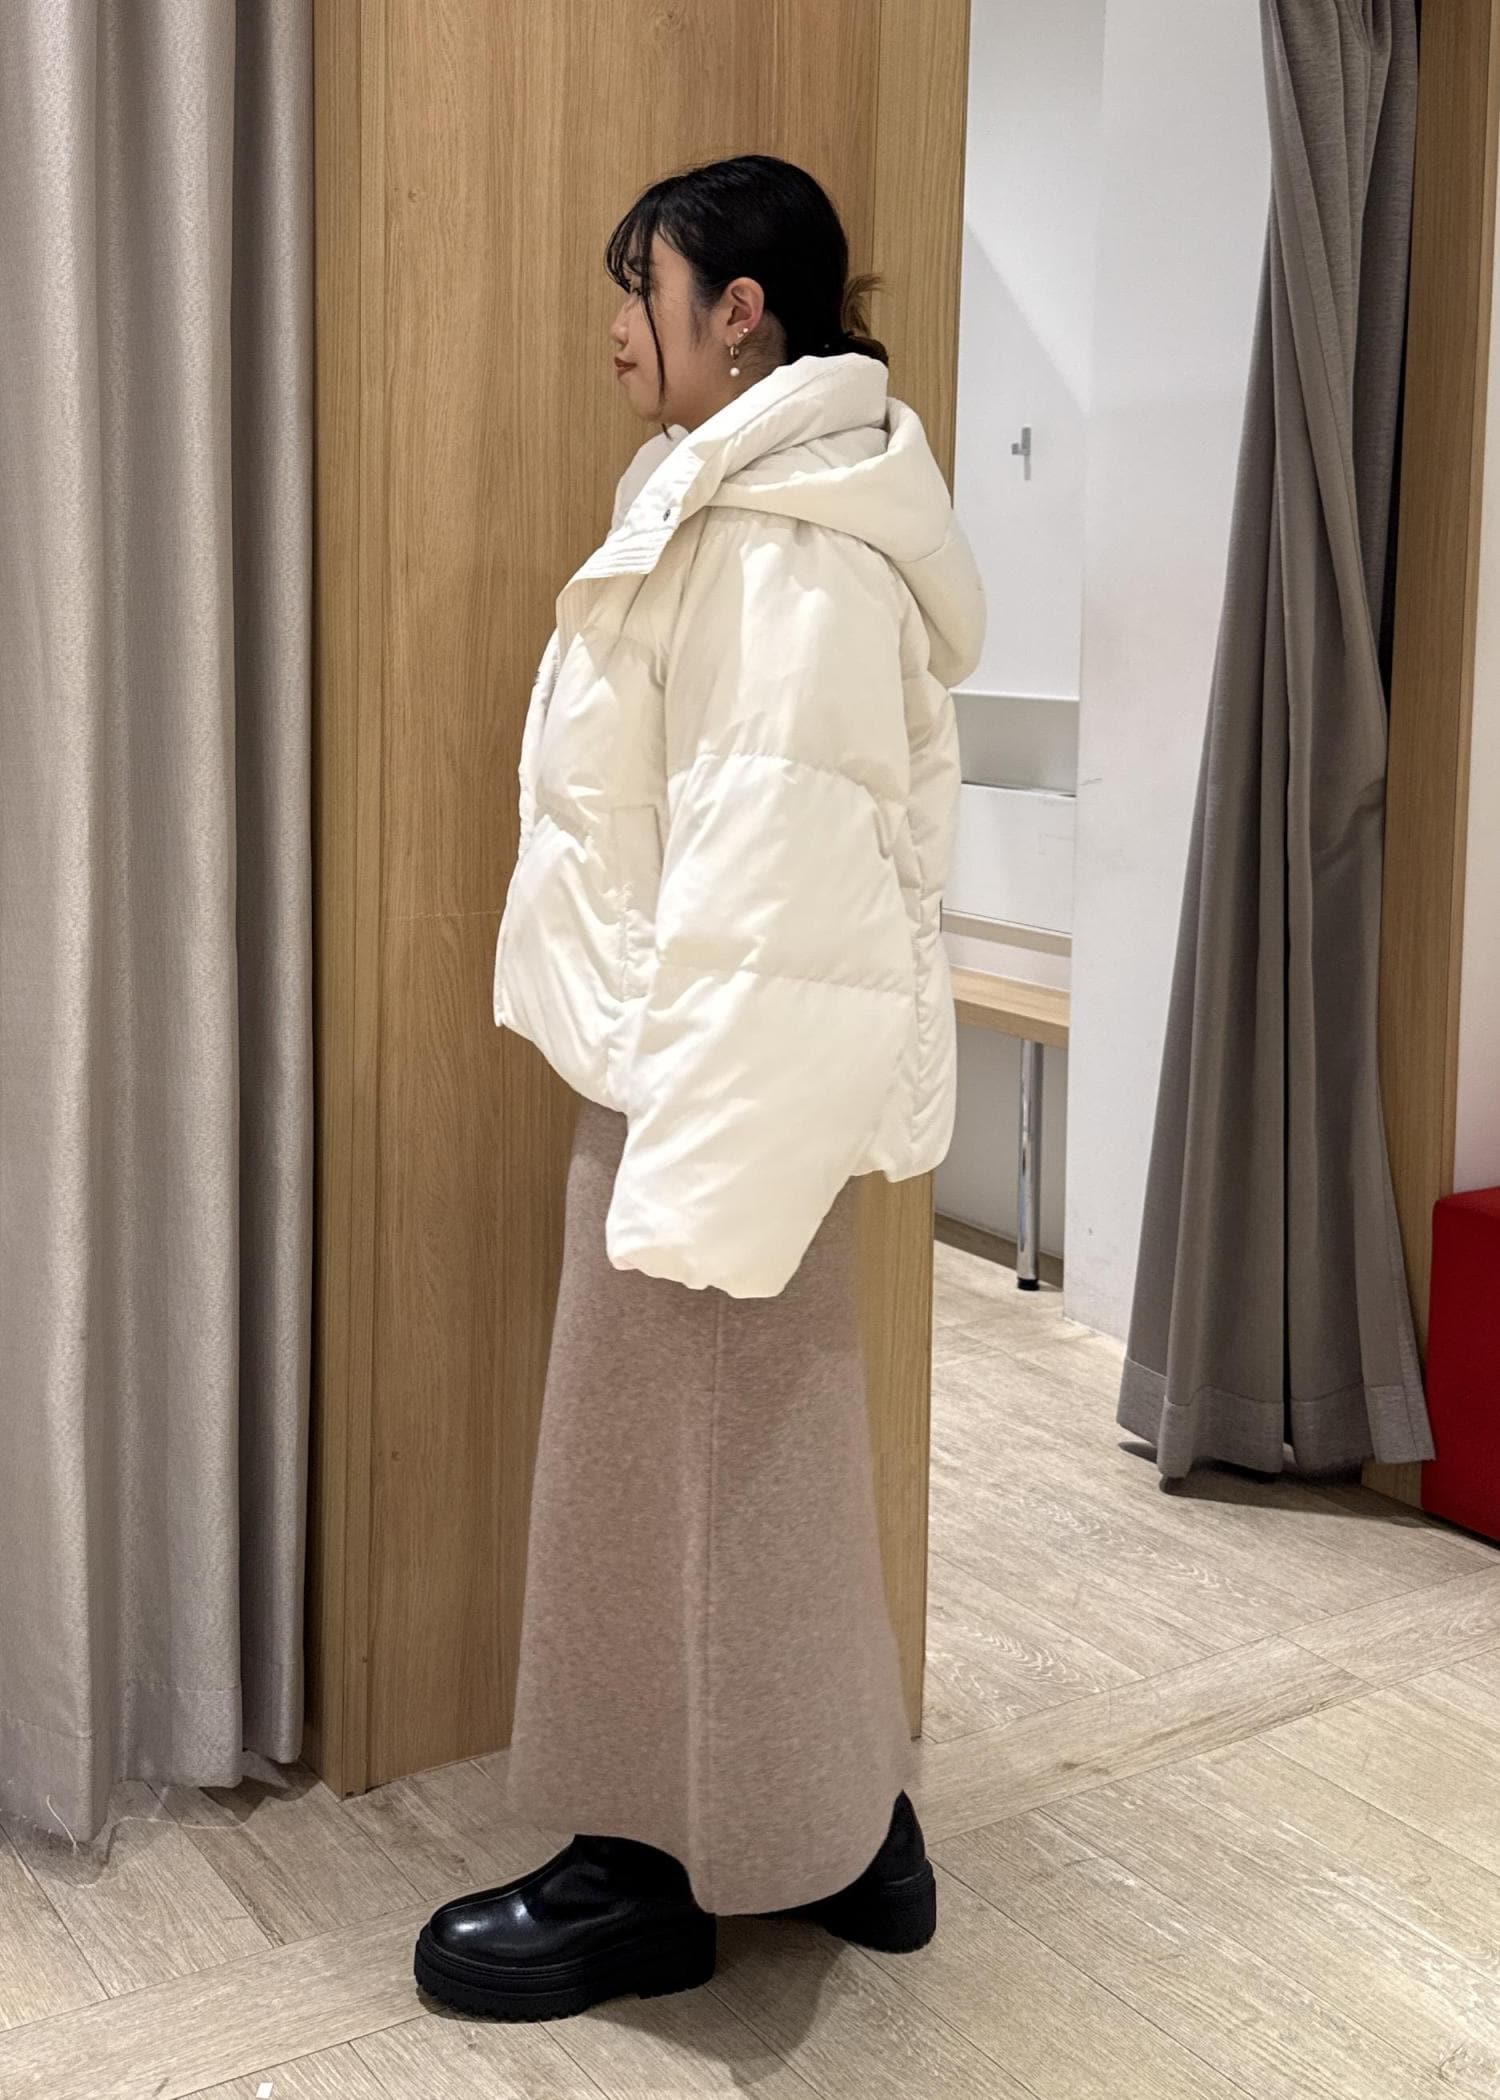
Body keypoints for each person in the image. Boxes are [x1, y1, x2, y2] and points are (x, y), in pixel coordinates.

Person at [414, 153, 983, 2023]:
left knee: (667, 1482)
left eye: (638, 287)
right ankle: (847, 1827)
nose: (614, 327)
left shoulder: (782, 539)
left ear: (738, 312)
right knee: (756, 1469)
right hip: (705, 1069)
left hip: (713, 1086)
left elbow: (776, 887)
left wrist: (696, 1175)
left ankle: (652, 1871)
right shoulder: (754, 501)